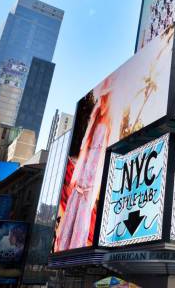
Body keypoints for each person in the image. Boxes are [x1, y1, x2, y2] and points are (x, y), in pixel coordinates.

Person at [55, 78, 113, 251]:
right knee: (75, 227)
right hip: (81, 187)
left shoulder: (102, 125)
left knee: (78, 227)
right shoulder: (99, 124)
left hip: (83, 189)